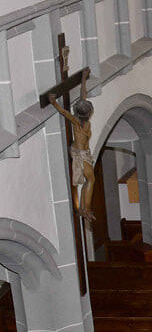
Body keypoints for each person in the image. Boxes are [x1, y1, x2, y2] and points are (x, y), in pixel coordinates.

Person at [49, 71, 95, 221]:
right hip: (80, 153)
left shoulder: (83, 120)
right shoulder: (77, 122)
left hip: (84, 152)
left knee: (90, 180)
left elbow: (83, 95)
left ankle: (83, 209)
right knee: (91, 180)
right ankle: (86, 209)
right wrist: (53, 101)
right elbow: (63, 111)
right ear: (87, 112)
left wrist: (83, 78)